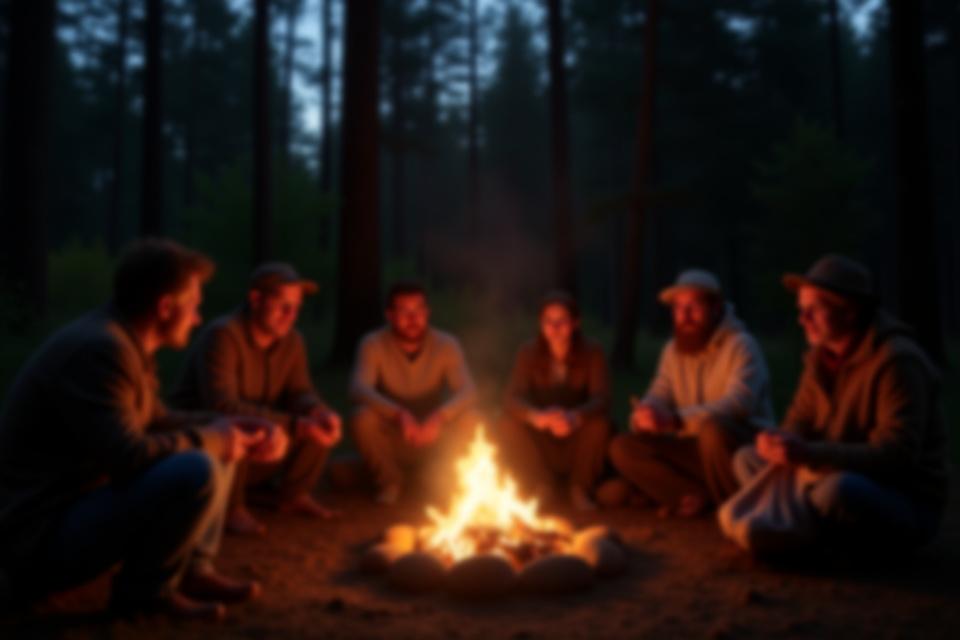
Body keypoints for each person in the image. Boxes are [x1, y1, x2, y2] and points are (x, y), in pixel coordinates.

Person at [0, 239, 288, 620]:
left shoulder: (125, 342)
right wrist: (215, 437)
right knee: (197, 464)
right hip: (37, 538)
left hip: (69, 515)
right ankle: (146, 593)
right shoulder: (102, 349)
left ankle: (194, 571)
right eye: (195, 307)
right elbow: (127, 456)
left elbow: (158, 419)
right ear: (165, 307)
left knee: (217, 440)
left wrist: (232, 427)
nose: (199, 318)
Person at [726, 254, 947, 552]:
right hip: (825, 470)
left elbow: (896, 455)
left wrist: (809, 453)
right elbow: (799, 419)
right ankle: (805, 530)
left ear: (850, 312)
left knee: (839, 491)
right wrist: (779, 441)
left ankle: (810, 537)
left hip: (899, 496)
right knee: (746, 458)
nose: (802, 319)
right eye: (801, 310)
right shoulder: (820, 357)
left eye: (814, 310)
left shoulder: (896, 361)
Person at [172, 263, 342, 536]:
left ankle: (292, 495)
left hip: (261, 448)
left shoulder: (292, 341)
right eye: (283, 306)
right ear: (255, 299)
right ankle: (230, 508)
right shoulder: (223, 335)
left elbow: (300, 391)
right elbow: (222, 406)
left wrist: (317, 410)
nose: (291, 315)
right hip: (202, 449)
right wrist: (295, 425)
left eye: (296, 307)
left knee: (317, 424)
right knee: (238, 426)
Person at [607, 269, 775, 517]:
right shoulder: (673, 350)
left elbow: (739, 404)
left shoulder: (741, 345)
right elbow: (659, 392)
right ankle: (696, 498)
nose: (684, 316)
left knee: (712, 430)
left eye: (693, 307)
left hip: (738, 449)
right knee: (622, 447)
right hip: (696, 451)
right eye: (678, 308)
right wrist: (645, 415)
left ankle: (737, 506)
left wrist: (675, 420)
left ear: (716, 308)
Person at [350, 282, 478, 505]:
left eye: (419, 310)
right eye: (404, 311)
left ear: (427, 313)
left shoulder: (446, 344)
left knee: (472, 418)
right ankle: (390, 482)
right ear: (389, 315)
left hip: (434, 437)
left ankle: (441, 480)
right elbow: (358, 388)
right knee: (362, 418)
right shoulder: (373, 344)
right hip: (395, 436)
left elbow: (468, 391)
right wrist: (398, 414)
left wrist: (440, 417)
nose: (413, 318)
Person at [497, 291, 611, 511]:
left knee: (600, 425)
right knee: (506, 423)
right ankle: (541, 486)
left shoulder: (592, 352)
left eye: (562, 321)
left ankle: (580, 488)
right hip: (544, 437)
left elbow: (602, 398)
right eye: (549, 321)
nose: (555, 328)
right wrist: (535, 417)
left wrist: (575, 417)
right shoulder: (528, 352)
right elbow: (512, 398)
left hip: (577, 439)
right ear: (541, 324)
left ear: (575, 323)